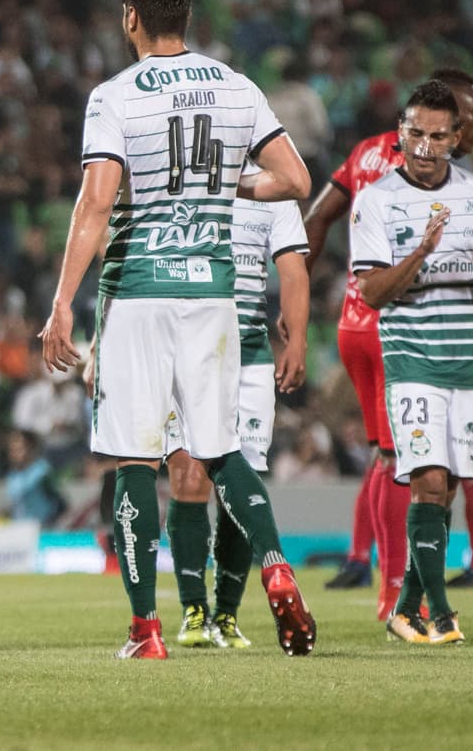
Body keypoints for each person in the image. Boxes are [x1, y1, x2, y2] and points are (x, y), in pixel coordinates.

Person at [39, 0, 315, 659]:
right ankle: (276, 564)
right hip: (213, 293)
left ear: (130, 16)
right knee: (221, 447)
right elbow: (294, 178)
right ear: (187, 17)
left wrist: (63, 303)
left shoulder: (114, 95)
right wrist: (228, 189)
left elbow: (98, 199)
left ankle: (147, 630)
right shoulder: (236, 86)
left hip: (137, 292)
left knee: (135, 458)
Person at [302, 68, 473, 619]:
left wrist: (296, 304)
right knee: (410, 465)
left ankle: (368, 562)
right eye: (471, 113)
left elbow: (316, 220)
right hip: (400, 326)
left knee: (386, 456)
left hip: (351, 324)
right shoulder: (430, 170)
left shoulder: (367, 151)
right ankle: (396, 593)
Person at [350, 79, 473, 645]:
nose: (424, 146)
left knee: (445, 487)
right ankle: (443, 616)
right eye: (415, 133)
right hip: (411, 358)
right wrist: (421, 252)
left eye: (438, 136)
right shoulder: (376, 199)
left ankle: (404, 611)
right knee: (425, 478)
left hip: (468, 360)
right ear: (401, 133)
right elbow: (372, 292)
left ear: (456, 138)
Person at [164, 195, 310, 649]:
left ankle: (226, 613)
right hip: (186, 350)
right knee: (189, 474)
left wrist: (298, 339)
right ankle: (195, 610)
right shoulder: (185, 177)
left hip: (249, 355)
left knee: (237, 482)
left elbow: (292, 269)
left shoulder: (276, 191)